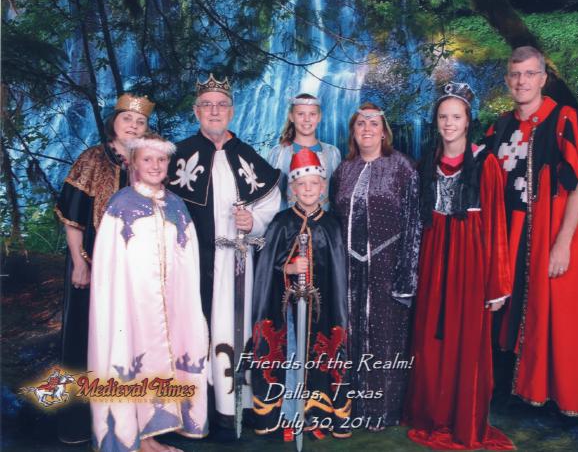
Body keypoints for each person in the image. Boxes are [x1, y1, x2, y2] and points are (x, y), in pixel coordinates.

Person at [486, 46, 578, 416]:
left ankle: (555, 395)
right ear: (507, 80)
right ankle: (515, 393)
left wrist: (563, 243)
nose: (522, 81)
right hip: (508, 234)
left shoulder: (564, 119)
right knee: (510, 313)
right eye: (515, 74)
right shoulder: (500, 127)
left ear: (543, 79)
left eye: (530, 74)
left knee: (556, 312)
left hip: (547, 232)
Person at [167, 74, 280, 429]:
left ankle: (234, 407)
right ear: (196, 111)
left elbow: (271, 204)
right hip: (192, 265)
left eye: (221, 105)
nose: (214, 111)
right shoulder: (177, 156)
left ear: (231, 112)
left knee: (235, 328)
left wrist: (253, 221)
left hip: (237, 264)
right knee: (191, 329)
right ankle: (194, 410)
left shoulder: (247, 156)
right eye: (207, 105)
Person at [405, 83, 514, 450]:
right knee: (430, 338)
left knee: (465, 341)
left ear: (468, 121)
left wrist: (497, 285)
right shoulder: (427, 162)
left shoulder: (486, 163)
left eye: (456, 117)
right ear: (436, 121)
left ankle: (462, 420)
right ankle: (431, 414)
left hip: (470, 260)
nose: (449, 123)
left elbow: (496, 223)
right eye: (443, 117)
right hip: (433, 256)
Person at [88, 132, 208, 452]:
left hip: (171, 303)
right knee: (133, 359)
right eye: (147, 159)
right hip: (133, 304)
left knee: (168, 357)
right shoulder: (121, 205)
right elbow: (109, 264)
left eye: (161, 159)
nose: (155, 165)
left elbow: (188, 258)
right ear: (134, 164)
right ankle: (138, 438)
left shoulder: (177, 206)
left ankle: (153, 436)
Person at [54, 93, 154, 443]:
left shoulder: (147, 163)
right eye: (127, 119)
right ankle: (79, 422)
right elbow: (72, 217)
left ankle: (130, 419)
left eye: (140, 122)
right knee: (84, 339)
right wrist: (79, 263)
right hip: (93, 265)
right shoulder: (93, 158)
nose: (133, 126)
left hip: (136, 270)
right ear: (114, 122)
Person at [331, 103, 421, 428]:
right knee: (351, 336)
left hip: (388, 265)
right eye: (360, 124)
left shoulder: (403, 167)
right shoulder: (344, 170)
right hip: (349, 270)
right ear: (353, 132)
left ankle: (383, 411)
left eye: (373, 123)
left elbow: (414, 223)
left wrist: (407, 277)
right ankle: (351, 407)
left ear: (384, 131)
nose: (367, 129)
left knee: (385, 338)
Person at [252, 148, 351, 441]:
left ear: (323, 187)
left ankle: (316, 415)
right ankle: (287, 415)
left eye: (314, 184)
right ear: (292, 189)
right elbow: (265, 266)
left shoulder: (332, 225)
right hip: (287, 313)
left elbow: (338, 272)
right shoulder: (281, 222)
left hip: (323, 311)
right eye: (301, 185)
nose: (308, 189)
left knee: (320, 355)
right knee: (289, 355)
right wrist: (289, 268)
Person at [266, 93, 341, 211]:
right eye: (300, 114)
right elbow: (268, 196)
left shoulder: (332, 153)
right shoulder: (278, 154)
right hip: (285, 220)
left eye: (312, 114)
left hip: (323, 221)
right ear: (291, 117)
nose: (307, 119)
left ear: (319, 117)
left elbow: (337, 195)